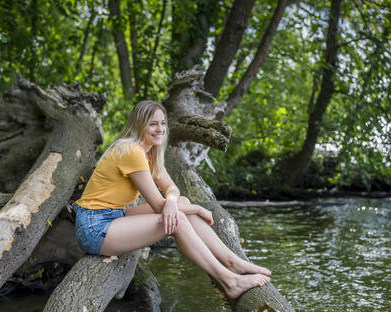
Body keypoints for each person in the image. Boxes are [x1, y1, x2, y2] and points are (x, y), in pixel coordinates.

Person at [73, 100, 271, 299]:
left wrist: (175, 202)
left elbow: (171, 189)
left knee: (180, 203)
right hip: (95, 227)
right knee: (179, 219)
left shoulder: (148, 153)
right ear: (138, 125)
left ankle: (232, 262)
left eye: (163, 123)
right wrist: (195, 208)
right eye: (153, 124)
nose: (160, 129)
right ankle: (230, 281)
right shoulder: (131, 151)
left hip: (115, 215)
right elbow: (159, 205)